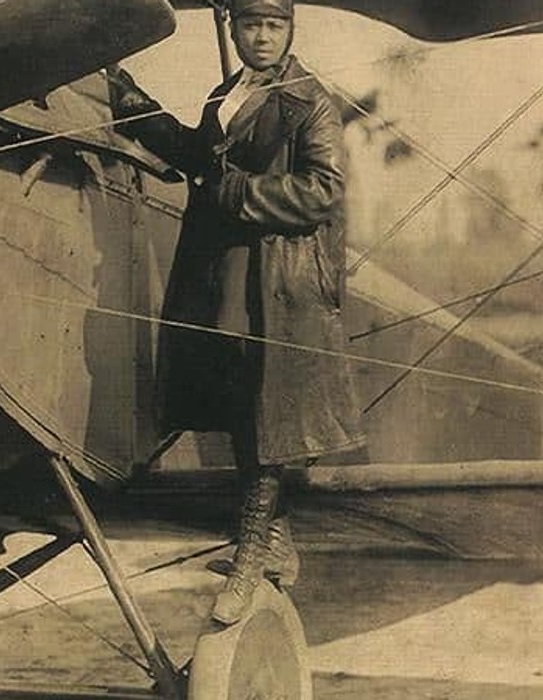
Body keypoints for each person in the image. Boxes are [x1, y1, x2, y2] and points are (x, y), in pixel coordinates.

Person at [107, 0, 364, 625]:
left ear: (290, 31)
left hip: (275, 282)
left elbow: (324, 190)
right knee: (237, 403)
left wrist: (242, 192)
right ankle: (277, 544)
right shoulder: (227, 94)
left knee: (263, 414)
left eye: (275, 26)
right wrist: (130, 102)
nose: (263, 37)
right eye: (252, 26)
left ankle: (251, 556)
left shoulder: (310, 101)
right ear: (234, 29)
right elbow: (199, 156)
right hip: (226, 273)